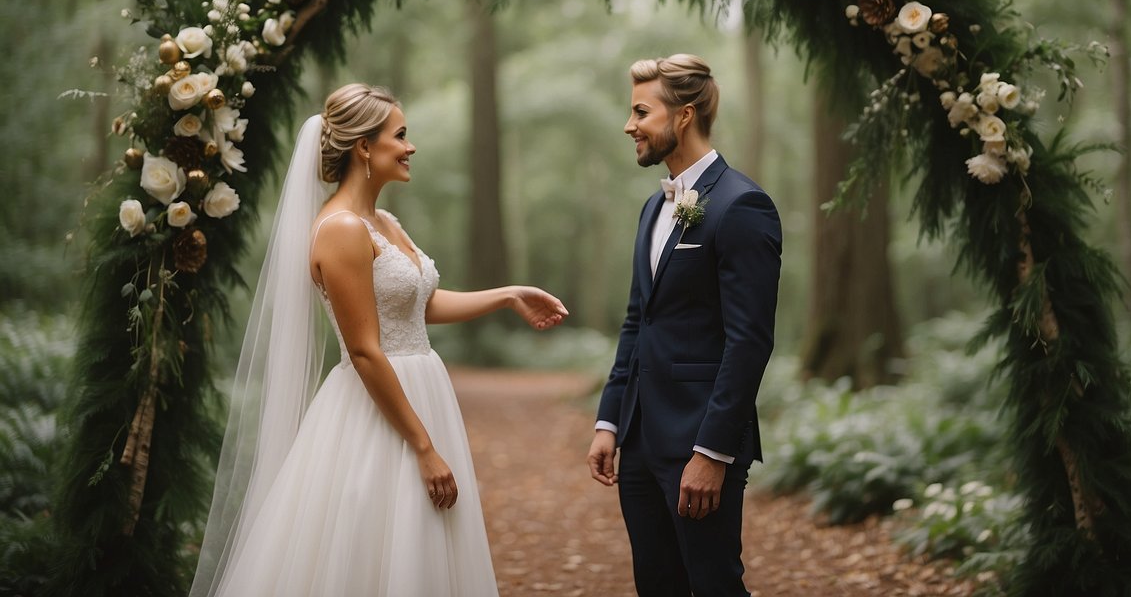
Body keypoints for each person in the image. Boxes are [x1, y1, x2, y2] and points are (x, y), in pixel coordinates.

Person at [190, 83, 567, 597]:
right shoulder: (342, 229)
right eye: (401, 135)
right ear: (364, 147)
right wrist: (424, 445)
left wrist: (506, 296)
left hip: (420, 390)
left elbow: (419, 306)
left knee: (426, 545)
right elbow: (366, 349)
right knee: (376, 548)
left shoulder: (383, 221)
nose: (410, 147)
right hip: (378, 410)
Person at [587, 55, 782, 597]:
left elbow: (749, 342)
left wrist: (712, 453)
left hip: (700, 444)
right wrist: (609, 421)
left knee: (716, 584)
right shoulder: (654, 208)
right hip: (640, 442)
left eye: (641, 112)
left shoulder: (743, 206)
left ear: (683, 116)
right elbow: (637, 321)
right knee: (656, 584)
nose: (629, 125)